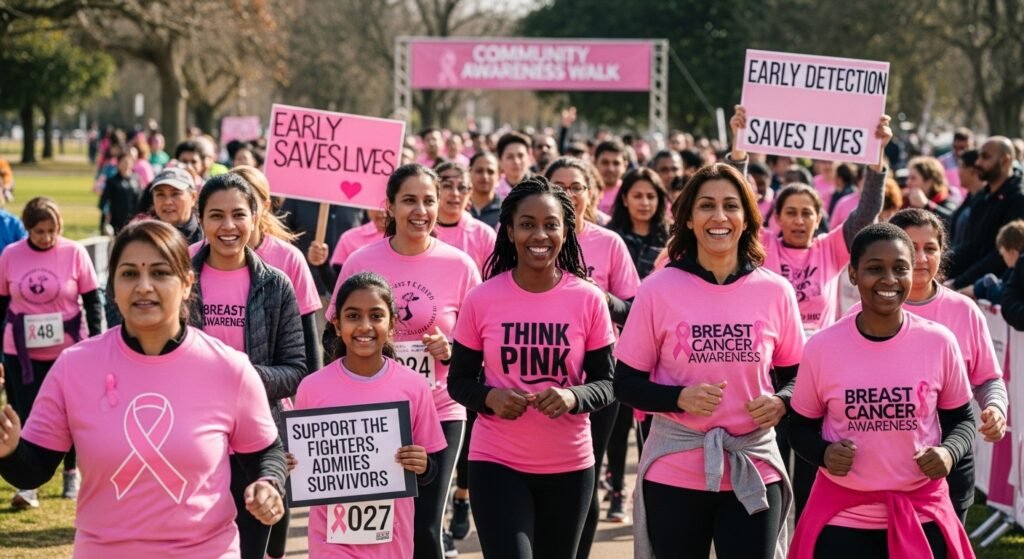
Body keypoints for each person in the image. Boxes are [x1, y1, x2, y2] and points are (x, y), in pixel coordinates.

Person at [0, 220, 287, 557]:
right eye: (129, 274)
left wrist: (268, 484)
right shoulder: (74, 367)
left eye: (160, 272)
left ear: (186, 283)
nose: (144, 286)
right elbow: (33, 468)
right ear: (113, 286)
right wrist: (8, 450)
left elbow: (267, 453)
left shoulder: (228, 367)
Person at [614, 162, 804, 559]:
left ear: (748, 218)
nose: (719, 217)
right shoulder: (657, 290)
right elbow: (625, 383)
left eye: (731, 206)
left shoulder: (776, 292)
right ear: (688, 218)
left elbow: (797, 376)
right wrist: (678, 398)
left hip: (753, 465)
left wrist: (782, 401)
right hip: (674, 469)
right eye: (706, 206)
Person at [448, 176, 616, 559]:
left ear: (566, 230)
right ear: (509, 231)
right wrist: (490, 396)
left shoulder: (588, 299)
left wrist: (573, 397)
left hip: (570, 466)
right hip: (496, 463)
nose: (539, 235)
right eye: (527, 224)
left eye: (550, 224)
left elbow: (608, 383)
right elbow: (458, 381)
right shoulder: (482, 299)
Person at [787, 223, 976, 558]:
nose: (889, 280)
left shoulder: (939, 342)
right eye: (875, 269)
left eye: (900, 268)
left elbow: (962, 419)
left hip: (921, 512)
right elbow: (798, 428)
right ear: (854, 274)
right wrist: (824, 454)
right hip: (843, 519)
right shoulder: (822, 348)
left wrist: (948, 452)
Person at [326, 163, 481, 559]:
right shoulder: (361, 261)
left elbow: (480, 345)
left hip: (439, 409)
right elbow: (334, 334)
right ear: (389, 206)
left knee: (424, 528)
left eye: (429, 201)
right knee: (374, 528)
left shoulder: (461, 266)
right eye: (409, 200)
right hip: (369, 412)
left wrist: (452, 351)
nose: (421, 210)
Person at [189, 174, 307, 559]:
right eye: (216, 215)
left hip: (257, 442)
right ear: (200, 219)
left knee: (249, 549)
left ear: (256, 218)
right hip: (189, 439)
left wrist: (241, 379)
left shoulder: (277, 285)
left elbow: (295, 370)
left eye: (238, 214)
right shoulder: (178, 279)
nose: (228, 226)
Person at [297, 272, 447, 558]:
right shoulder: (312, 388)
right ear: (337, 325)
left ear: (391, 325)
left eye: (376, 316)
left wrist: (423, 464)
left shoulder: (413, 386)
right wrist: (294, 464)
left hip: (392, 540)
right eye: (353, 316)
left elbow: (432, 470)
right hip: (330, 540)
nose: (364, 326)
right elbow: (300, 461)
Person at [544, 157, 639, 555]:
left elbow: (634, 308)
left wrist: (603, 299)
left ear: (592, 192)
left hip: (597, 378)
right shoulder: (533, 237)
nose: (568, 194)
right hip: (539, 375)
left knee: (586, 471)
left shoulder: (609, 242)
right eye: (558, 186)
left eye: (576, 186)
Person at [0, 197, 104, 508]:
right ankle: (27, 484)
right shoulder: (10, 254)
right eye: (38, 231)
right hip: (21, 351)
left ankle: (71, 471)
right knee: (27, 412)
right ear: (27, 230)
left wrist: (97, 344)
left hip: (69, 351)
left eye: (51, 230)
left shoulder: (74, 253)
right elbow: (1, 304)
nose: (46, 237)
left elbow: (93, 302)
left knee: (71, 413)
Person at [603, 167, 670, 521]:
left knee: (648, 426)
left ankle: (645, 490)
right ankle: (615, 490)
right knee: (617, 424)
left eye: (651, 196)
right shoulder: (612, 239)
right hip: (616, 345)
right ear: (624, 198)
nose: (644, 202)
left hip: (660, 349)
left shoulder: (673, 241)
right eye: (637, 195)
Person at [230, 166, 323, 378]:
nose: (240, 208)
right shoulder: (195, 257)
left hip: (273, 392)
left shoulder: (290, 258)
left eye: (249, 201)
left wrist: (313, 403)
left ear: (266, 205)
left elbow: (308, 341)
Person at [947, 136, 1024, 289]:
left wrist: (959, 283)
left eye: (985, 157)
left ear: (1005, 160)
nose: (977, 163)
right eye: (979, 156)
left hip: (993, 291)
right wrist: (943, 267)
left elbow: (1002, 254)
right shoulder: (982, 197)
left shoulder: (1018, 199)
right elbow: (971, 245)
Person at [434, 161, 497, 273]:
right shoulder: (421, 232)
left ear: (470, 192)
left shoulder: (484, 234)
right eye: (447, 186)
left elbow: (494, 279)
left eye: (462, 187)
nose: (455, 193)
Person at [968, 220, 1024, 303]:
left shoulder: (1018, 274)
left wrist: (988, 281)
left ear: (1013, 253)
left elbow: (1003, 296)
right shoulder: (1012, 272)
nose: (1003, 258)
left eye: (1003, 254)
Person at [148, 166, 204, 244]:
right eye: (160, 194)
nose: (167, 202)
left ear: (193, 197)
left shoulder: (207, 239)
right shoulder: (144, 238)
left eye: (175, 194)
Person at [904, 157, 957, 226]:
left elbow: (953, 221)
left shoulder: (946, 203)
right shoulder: (906, 201)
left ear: (929, 182)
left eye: (913, 178)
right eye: (908, 178)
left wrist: (926, 205)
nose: (908, 182)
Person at [101, 152, 144, 235]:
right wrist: (106, 222)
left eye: (128, 162)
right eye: (123, 162)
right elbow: (104, 203)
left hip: (133, 222)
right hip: (116, 223)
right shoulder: (112, 182)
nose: (126, 165)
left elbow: (140, 200)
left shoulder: (136, 179)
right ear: (118, 163)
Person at [948, 149, 983, 248]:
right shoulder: (971, 197)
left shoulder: (983, 202)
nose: (957, 172)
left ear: (971, 170)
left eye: (960, 166)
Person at [468, 152, 502, 228]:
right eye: (479, 171)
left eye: (490, 172)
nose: (485, 176)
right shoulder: (460, 208)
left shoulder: (506, 211)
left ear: (499, 176)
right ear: (469, 173)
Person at [594, 140, 629, 214]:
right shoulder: (584, 192)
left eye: (616, 163)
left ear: (625, 166)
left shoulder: (630, 193)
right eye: (605, 162)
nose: (610, 169)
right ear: (595, 163)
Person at [495, 132, 532, 199]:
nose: (516, 162)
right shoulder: (494, 192)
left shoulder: (540, 189)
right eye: (510, 157)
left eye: (520, 156)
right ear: (500, 161)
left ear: (529, 157)